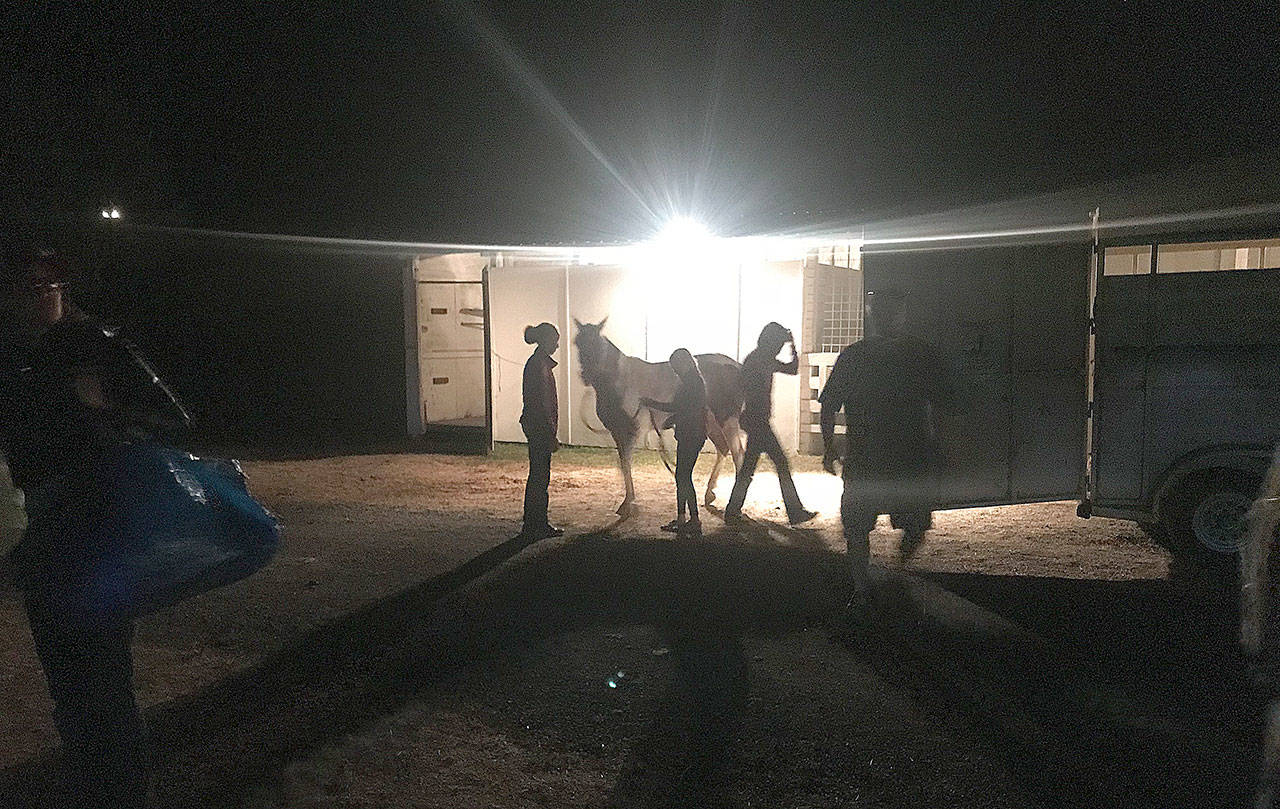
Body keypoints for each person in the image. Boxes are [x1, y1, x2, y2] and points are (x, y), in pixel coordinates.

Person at [1, 249, 187, 808]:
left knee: (104, 676)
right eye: (24, 288)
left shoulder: (98, 346)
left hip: (98, 528)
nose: (37, 297)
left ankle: (126, 791)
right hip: (37, 536)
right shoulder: (10, 357)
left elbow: (170, 416)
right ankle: (90, 782)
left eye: (47, 285)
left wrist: (102, 412)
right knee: (65, 676)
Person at [819, 288, 956, 598]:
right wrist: (941, 446)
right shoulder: (918, 355)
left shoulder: (857, 356)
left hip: (875, 457)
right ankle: (876, 584)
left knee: (861, 527)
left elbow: (829, 405)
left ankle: (866, 588)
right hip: (903, 458)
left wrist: (830, 448)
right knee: (906, 523)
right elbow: (944, 404)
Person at [724, 322, 817, 525]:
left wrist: (792, 346)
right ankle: (794, 511)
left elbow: (791, 370)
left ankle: (732, 511)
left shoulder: (760, 359)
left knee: (750, 468)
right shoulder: (759, 361)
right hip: (758, 421)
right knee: (780, 464)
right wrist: (792, 346)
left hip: (757, 419)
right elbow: (791, 370)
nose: (778, 348)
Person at [641, 348, 708, 534]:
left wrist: (652, 404)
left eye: (676, 366)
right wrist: (672, 419)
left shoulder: (691, 383)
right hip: (693, 434)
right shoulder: (693, 381)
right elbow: (685, 408)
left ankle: (691, 519)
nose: (674, 370)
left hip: (691, 435)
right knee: (683, 477)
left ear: (683, 363)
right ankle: (685, 518)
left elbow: (682, 408)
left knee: (683, 477)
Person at [519, 322, 564, 539]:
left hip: (534, 426)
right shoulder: (540, 366)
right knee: (540, 477)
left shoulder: (536, 363)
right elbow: (543, 403)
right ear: (546, 340)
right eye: (555, 340)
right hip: (539, 428)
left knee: (537, 475)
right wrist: (550, 433)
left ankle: (533, 523)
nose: (557, 344)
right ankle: (537, 524)